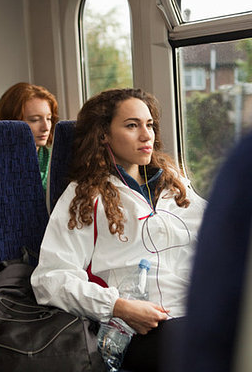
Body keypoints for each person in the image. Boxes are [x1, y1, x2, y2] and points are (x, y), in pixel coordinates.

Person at [30, 88, 207, 371]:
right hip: (143, 326)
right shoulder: (85, 196)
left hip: (202, 310)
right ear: (103, 135)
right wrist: (118, 307)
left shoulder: (176, 185)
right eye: (132, 125)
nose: (146, 135)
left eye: (149, 125)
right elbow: (50, 279)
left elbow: (217, 239)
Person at [0, 83, 59, 190]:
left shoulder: (56, 156)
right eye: (35, 120)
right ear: (12, 121)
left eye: (49, 119)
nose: (46, 127)